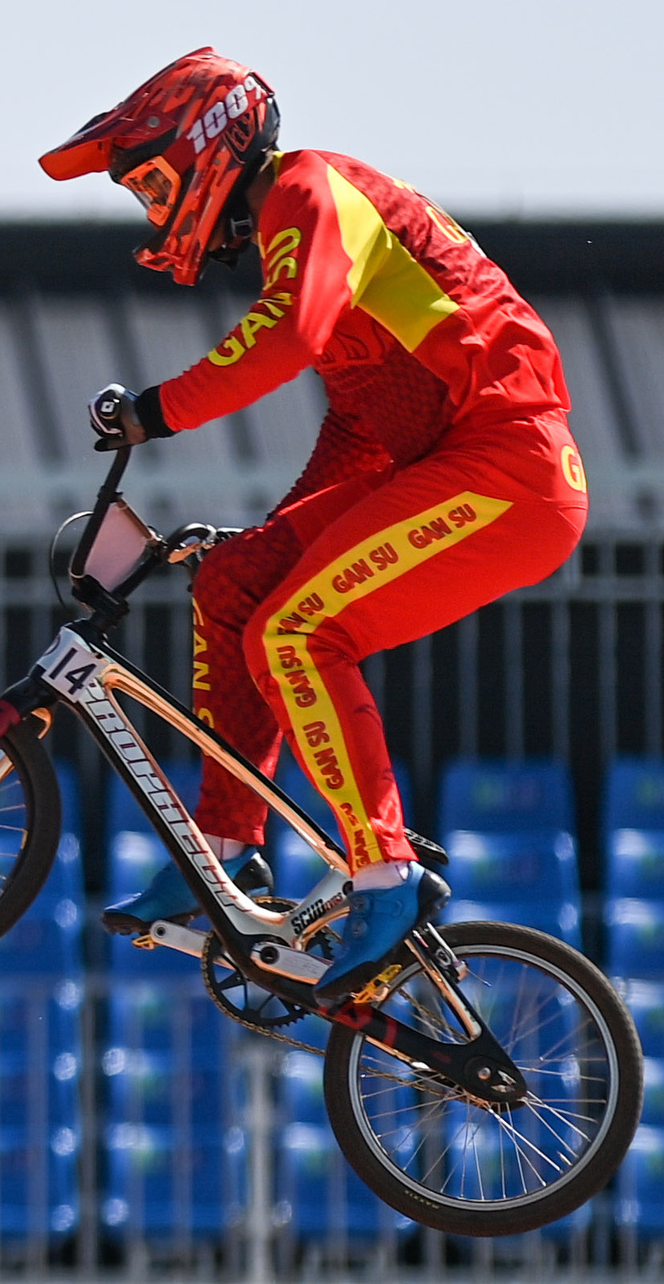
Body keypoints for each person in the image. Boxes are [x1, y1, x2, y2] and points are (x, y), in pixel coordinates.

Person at [45, 51, 587, 998]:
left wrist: (153, 411)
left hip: (509, 468)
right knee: (236, 588)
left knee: (296, 634)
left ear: (213, 143)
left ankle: (384, 874)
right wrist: (272, 538)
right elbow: (360, 426)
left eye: (154, 183)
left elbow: (286, 335)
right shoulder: (308, 224)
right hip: (460, 464)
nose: (152, 210)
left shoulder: (307, 186)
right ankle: (222, 850)